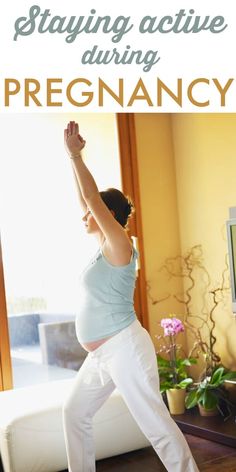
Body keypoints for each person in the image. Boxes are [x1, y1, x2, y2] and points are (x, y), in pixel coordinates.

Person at [62, 121, 199, 472]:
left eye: (91, 213)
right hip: (103, 355)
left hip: (125, 348)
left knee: (154, 422)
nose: (83, 215)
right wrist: (71, 159)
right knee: (75, 412)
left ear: (106, 216)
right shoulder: (102, 247)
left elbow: (91, 199)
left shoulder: (121, 244)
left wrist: (77, 155)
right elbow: (85, 198)